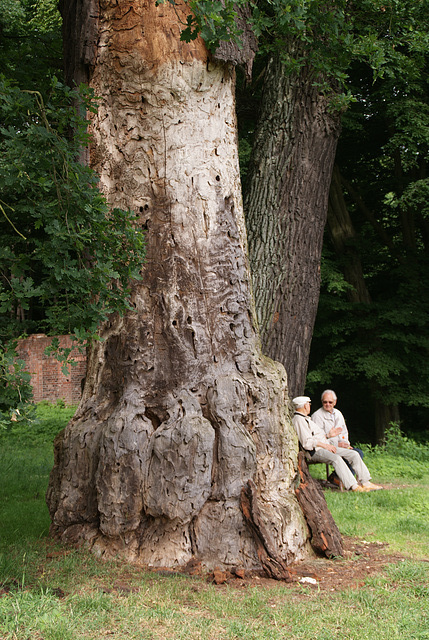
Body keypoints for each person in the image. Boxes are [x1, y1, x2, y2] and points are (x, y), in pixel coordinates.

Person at [292, 396, 383, 492]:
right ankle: (354, 486)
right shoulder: (299, 420)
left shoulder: (305, 418)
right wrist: (326, 445)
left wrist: (328, 435)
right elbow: (307, 442)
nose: (310, 406)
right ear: (305, 406)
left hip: (323, 447)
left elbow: (315, 436)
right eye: (309, 404)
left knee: (353, 454)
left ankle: (366, 482)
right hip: (314, 451)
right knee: (336, 459)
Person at [311, 389, 364, 482]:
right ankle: (342, 479)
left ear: (335, 402)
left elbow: (344, 431)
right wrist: (337, 444)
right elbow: (318, 438)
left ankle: (337, 477)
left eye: (330, 402)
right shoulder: (317, 416)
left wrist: (345, 443)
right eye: (325, 402)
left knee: (358, 452)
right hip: (324, 448)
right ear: (322, 402)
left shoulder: (338, 413)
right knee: (350, 455)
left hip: (339, 446)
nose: (328, 404)